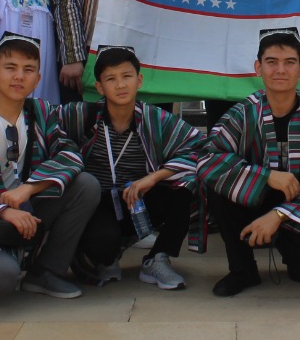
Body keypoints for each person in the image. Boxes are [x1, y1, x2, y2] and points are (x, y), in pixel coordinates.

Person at [0, 32, 98, 300]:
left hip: (27, 210)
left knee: (86, 185)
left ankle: (45, 271)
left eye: (28, 70)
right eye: (10, 68)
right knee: (2, 280)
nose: (19, 76)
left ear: (38, 79)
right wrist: (1, 212)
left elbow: (70, 154)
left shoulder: (42, 114)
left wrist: (28, 190)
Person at [201, 27, 300, 296]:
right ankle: (242, 270)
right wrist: (265, 176)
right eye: (271, 62)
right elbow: (208, 159)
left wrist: (279, 215)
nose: (280, 70)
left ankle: (293, 254)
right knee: (216, 189)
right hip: (251, 199)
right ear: (258, 67)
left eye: (289, 63)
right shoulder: (242, 113)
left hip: (296, 204)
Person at [61, 45, 203, 291]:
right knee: (102, 243)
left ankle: (157, 259)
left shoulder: (154, 118)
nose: (120, 85)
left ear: (139, 81)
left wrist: (153, 178)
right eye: (111, 79)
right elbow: (36, 116)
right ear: (99, 87)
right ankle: (104, 255)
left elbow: (200, 147)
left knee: (187, 184)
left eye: (126, 76)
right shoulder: (82, 115)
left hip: (138, 198)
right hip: (98, 203)